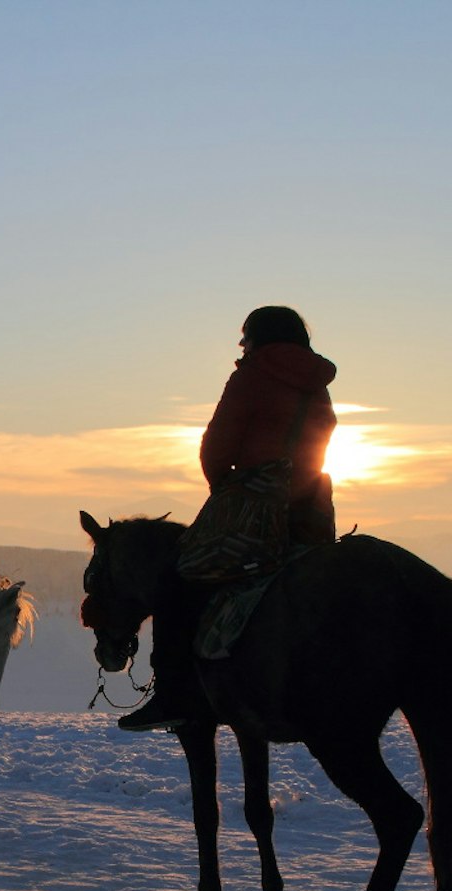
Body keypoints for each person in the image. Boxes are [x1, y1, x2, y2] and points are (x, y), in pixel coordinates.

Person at [117, 306, 339, 731]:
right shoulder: (318, 384)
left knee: (179, 580)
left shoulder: (251, 376)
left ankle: (173, 695)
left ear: (256, 339)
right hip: (312, 509)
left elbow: (216, 447)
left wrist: (226, 488)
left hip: (256, 511)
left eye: (244, 338)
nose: (242, 347)